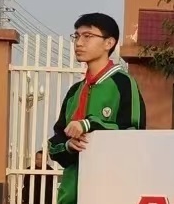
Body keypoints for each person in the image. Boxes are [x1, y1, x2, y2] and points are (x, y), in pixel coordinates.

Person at [48, 13, 146, 204]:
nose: (79, 43)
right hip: (71, 194)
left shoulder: (123, 83)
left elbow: (134, 134)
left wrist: (89, 124)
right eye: (76, 36)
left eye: (88, 36)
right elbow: (55, 143)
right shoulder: (75, 91)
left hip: (110, 191)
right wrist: (68, 146)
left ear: (109, 43)